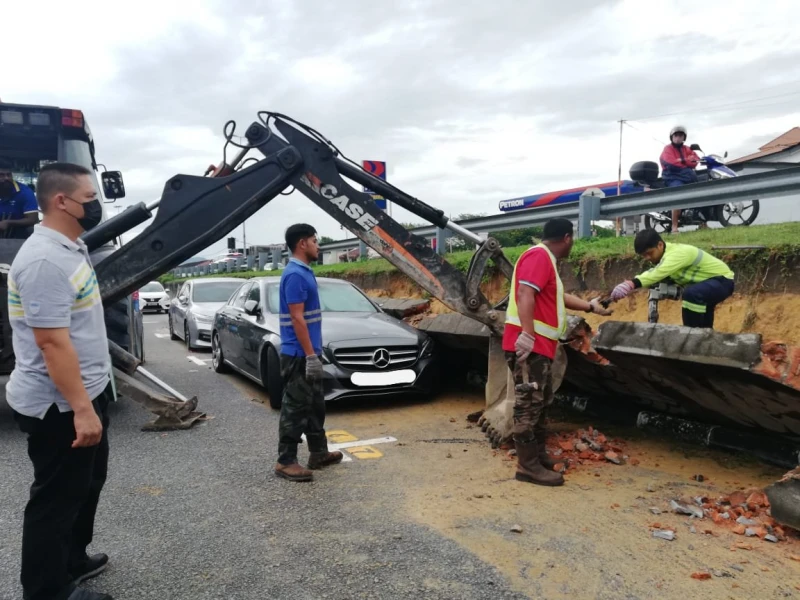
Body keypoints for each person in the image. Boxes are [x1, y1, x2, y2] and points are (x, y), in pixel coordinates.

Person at [7, 162, 113, 600]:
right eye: (90, 199)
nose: (96, 206)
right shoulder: (45, 261)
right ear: (61, 201)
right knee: (55, 499)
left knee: (87, 484)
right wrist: (83, 411)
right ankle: (48, 591)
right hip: (60, 408)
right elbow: (52, 344)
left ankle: (72, 558)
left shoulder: (70, 247)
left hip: (87, 393)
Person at [503, 218, 612, 487]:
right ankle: (527, 467)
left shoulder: (546, 261)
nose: (572, 244)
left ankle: (537, 457)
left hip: (541, 347)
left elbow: (556, 298)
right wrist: (527, 334)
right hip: (530, 346)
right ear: (566, 237)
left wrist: (590, 306)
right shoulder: (539, 257)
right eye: (572, 240)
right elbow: (525, 294)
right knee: (527, 406)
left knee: (539, 402)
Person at [275, 223, 343, 482]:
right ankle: (285, 461)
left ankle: (318, 453)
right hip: (298, 355)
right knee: (295, 408)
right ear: (302, 243)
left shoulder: (304, 271)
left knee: (315, 406)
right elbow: (297, 318)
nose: (318, 245)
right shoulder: (295, 274)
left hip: (308, 352)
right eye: (315, 241)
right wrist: (310, 356)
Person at [610, 228, 734, 328]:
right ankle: (704, 340)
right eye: (643, 255)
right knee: (704, 327)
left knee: (691, 295)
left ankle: (690, 336)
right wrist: (607, 300)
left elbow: (658, 272)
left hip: (722, 281)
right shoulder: (665, 257)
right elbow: (658, 274)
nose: (647, 258)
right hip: (707, 286)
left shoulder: (677, 253)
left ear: (660, 245)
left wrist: (631, 284)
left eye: (649, 253)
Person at [660, 125, 700, 234]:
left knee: (701, 191)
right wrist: (686, 161)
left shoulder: (687, 149)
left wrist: (681, 160)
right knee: (678, 194)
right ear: (672, 137)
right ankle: (674, 226)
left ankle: (703, 223)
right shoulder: (667, 149)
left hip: (687, 177)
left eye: (680, 135)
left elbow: (695, 161)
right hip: (672, 177)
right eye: (676, 135)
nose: (678, 137)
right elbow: (671, 164)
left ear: (684, 137)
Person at [0, 158, 40, 239]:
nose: (6, 178)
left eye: (9, 175)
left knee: (31, 230)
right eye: (1, 175)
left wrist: (8, 223)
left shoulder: (25, 192)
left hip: (18, 235)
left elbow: (33, 219)